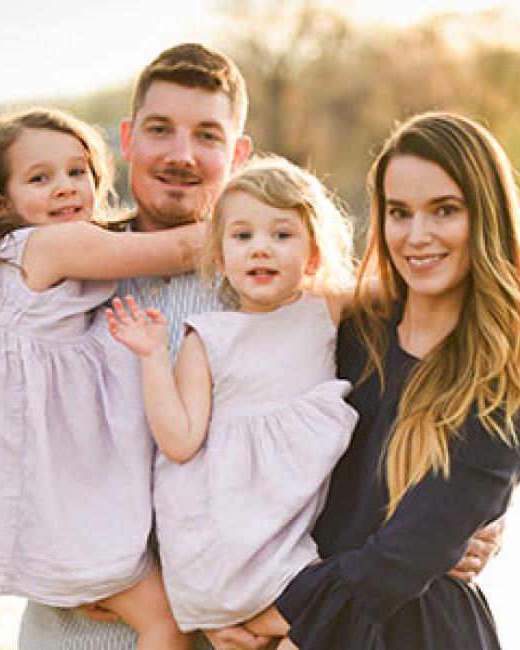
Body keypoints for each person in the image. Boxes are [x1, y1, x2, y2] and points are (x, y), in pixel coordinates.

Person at [0, 105, 213, 649]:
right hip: (58, 505)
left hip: (41, 497)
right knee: (163, 621)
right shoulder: (48, 245)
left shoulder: (7, 262)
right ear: (1, 202)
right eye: (40, 178)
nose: (65, 188)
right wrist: (271, 223)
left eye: (78, 172)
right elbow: (182, 247)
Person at [267, 111, 520, 649]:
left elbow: (393, 563)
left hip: (417, 633)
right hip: (307, 615)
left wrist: (270, 623)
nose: (417, 236)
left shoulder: (499, 400)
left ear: (485, 219)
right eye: (399, 212)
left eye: (445, 210)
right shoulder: (346, 334)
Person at [17, 43, 257, 650]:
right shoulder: (53, 274)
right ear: (126, 139)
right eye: (159, 130)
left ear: (239, 154)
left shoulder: (278, 288)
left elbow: (373, 419)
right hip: (69, 633)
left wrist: (461, 518)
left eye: (206, 135)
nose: (180, 155)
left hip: (229, 632)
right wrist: (59, 550)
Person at [106, 154, 359, 638]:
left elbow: (405, 295)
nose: (260, 249)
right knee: (322, 607)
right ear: (221, 257)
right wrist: (153, 357)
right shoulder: (207, 337)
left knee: (323, 608)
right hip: (223, 533)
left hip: (285, 531)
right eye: (242, 236)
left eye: (282, 235)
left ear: (312, 254)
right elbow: (179, 441)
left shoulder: (324, 307)